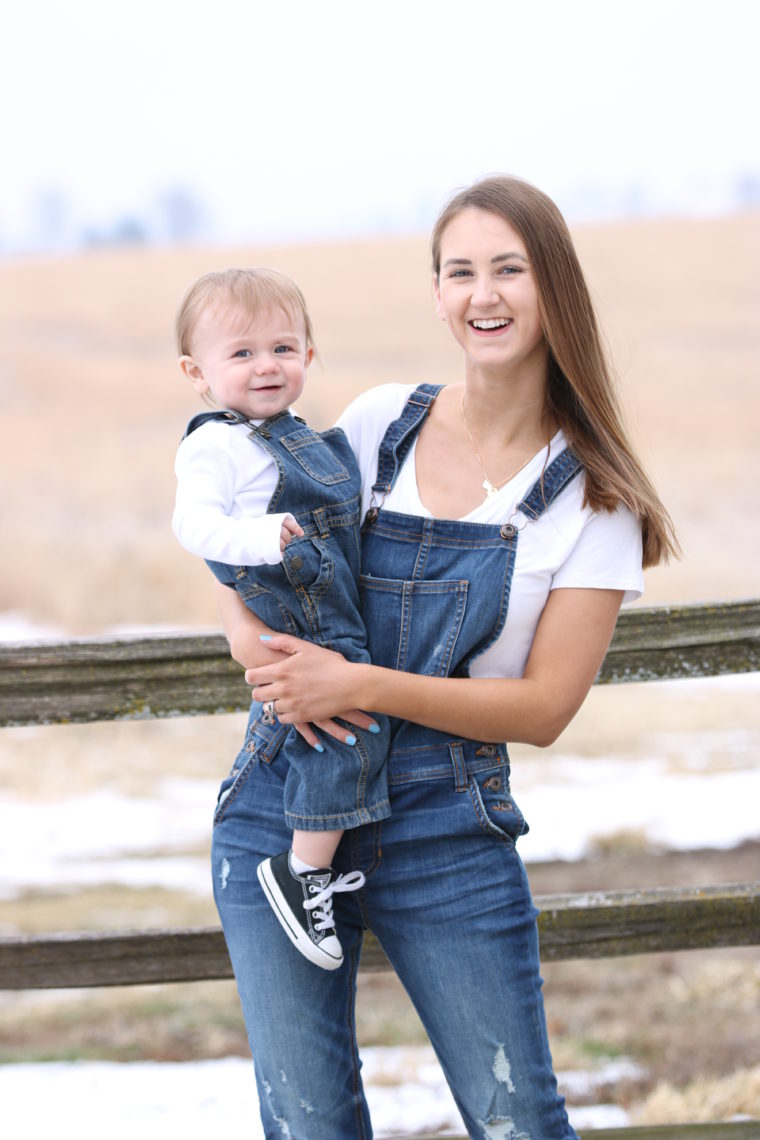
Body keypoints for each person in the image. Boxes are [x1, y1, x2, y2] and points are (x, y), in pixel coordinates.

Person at [211, 176, 678, 1138]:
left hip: (446, 828)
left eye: (510, 268)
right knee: (309, 1126)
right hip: (286, 807)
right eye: (460, 271)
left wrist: (358, 684)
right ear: (437, 294)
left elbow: (545, 708)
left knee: (519, 1120)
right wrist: (263, 655)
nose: (485, 294)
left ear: (554, 287)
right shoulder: (386, 421)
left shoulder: (596, 500)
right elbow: (249, 538)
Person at [172, 267, 391, 971]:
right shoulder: (215, 446)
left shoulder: (302, 435)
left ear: (308, 355)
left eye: (284, 348)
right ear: (196, 372)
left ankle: (311, 866)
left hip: (333, 610)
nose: (267, 365)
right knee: (345, 738)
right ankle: (302, 874)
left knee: (345, 733)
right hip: (296, 611)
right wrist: (261, 540)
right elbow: (194, 527)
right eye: (241, 353)